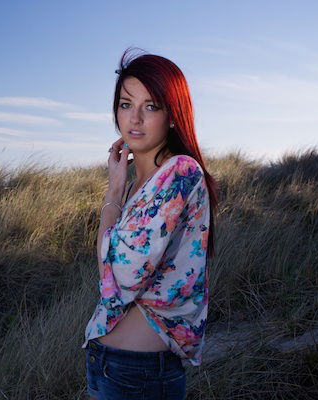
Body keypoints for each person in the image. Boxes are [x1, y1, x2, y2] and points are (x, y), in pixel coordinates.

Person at [82, 47, 219, 399]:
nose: (135, 119)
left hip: (139, 373)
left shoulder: (180, 172)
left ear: (173, 116)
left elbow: (118, 280)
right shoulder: (137, 186)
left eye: (151, 106)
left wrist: (112, 191)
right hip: (107, 364)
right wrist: (120, 188)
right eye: (127, 104)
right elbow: (110, 275)